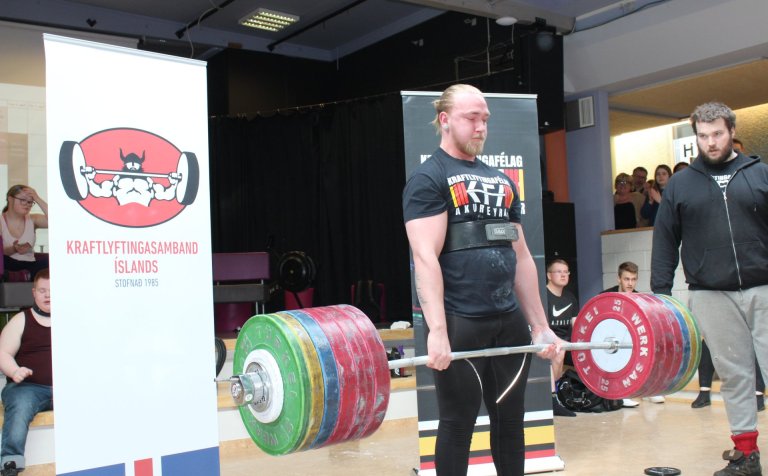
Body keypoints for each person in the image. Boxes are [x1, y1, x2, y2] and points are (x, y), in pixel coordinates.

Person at [402, 84, 562, 476]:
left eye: (485, 119)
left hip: (508, 322)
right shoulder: (429, 178)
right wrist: (436, 330)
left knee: (511, 422)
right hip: (461, 322)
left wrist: (540, 326)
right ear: (445, 120)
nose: (480, 127)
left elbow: (521, 256)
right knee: (458, 424)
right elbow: (425, 258)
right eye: (471, 118)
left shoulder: (502, 181)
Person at [651, 101, 768, 476]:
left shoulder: (760, 173)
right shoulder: (681, 185)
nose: (711, 142)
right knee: (734, 375)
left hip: (764, 287)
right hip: (710, 293)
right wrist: (661, 295)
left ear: (731, 131)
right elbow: (665, 239)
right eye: (702, 136)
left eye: (717, 134)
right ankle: (747, 455)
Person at [690, 137, 765, 413]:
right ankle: (706, 391)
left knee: (758, 345)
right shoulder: (699, 189)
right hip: (716, 286)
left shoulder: (757, 181)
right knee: (713, 345)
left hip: (757, 283)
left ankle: (759, 392)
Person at [0, 269, 52, 476]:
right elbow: (2, 352)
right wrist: (14, 371)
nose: (48, 295)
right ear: (33, 293)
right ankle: (10, 465)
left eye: (52, 291)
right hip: (28, 388)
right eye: (42, 290)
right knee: (20, 405)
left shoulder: (74, 320)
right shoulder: (21, 319)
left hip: (67, 386)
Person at [599, 261, 665, 407]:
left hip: (632, 340)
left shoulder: (640, 298)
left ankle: (648, 391)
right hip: (610, 342)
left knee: (650, 349)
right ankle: (621, 394)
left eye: (633, 279)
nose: (630, 283)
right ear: (619, 279)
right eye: (626, 279)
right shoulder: (605, 296)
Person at [545, 259, 577, 417]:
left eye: (566, 272)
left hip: (566, 342)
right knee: (558, 351)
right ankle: (553, 399)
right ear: (549, 275)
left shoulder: (570, 298)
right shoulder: (542, 296)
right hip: (547, 343)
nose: (564, 275)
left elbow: (576, 327)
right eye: (559, 272)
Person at [0, 185, 48, 279]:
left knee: (49, 261)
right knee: (4, 260)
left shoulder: (33, 219)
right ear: (10, 199)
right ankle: (23, 275)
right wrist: (14, 249)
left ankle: (24, 275)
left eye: (30, 201)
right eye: (22, 200)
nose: (27, 204)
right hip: (9, 263)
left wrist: (37, 198)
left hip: (30, 265)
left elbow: (57, 221)